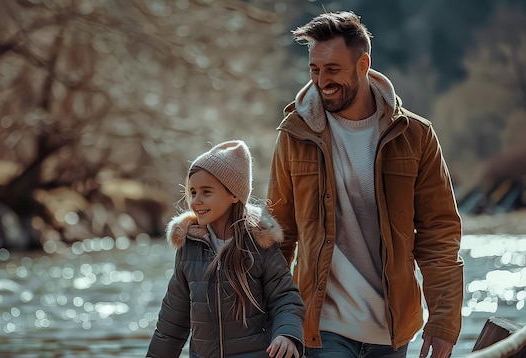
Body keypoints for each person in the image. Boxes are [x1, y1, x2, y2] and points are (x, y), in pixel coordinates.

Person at [266, 11, 463, 358]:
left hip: (392, 329)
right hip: (321, 328)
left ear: (362, 64)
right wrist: (276, 321)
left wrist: (444, 321)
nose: (322, 80)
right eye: (315, 69)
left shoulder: (415, 135)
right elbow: (278, 234)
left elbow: (439, 234)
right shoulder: (295, 134)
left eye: (333, 69)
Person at [147, 140, 305, 358]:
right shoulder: (189, 248)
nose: (196, 201)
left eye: (206, 192)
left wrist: (286, 334)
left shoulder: (259, 245)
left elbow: (285, 299)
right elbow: (171, 325)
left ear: (233, 195)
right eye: (193, 192)